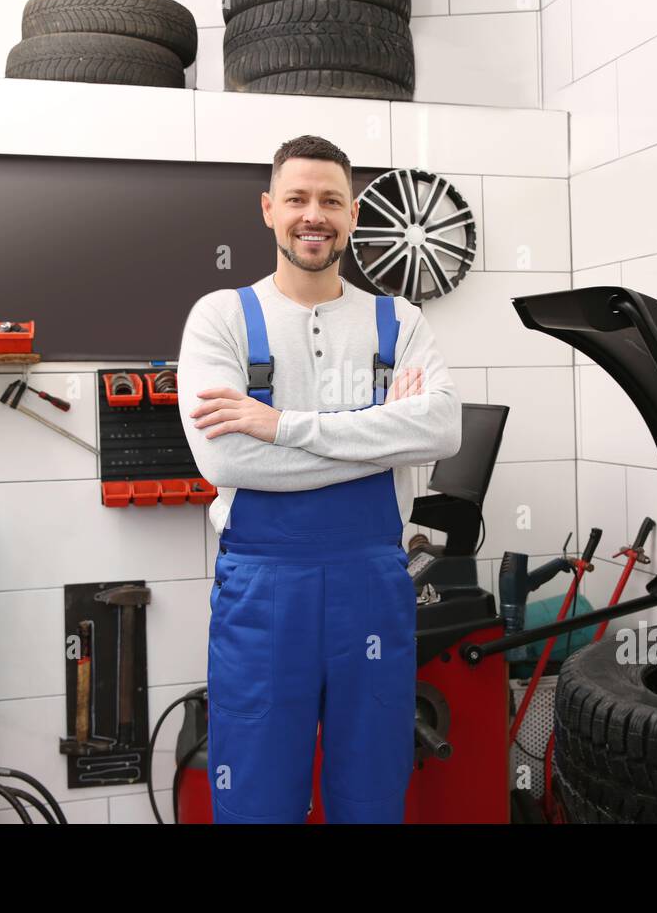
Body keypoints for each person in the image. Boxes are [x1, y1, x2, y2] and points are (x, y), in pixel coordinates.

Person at [176, 135, 462, 823]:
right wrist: (383, 431)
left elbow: (442, 432)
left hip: (374, 587)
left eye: (331, 200)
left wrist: (279, 425)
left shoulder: (400, 321)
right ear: (268, 209)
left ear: (353, 214)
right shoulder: (220, 317)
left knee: (372, 793)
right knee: (256, 797)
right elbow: (227, 461)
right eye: (298, 198)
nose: (314, 215)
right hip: (263, 594)